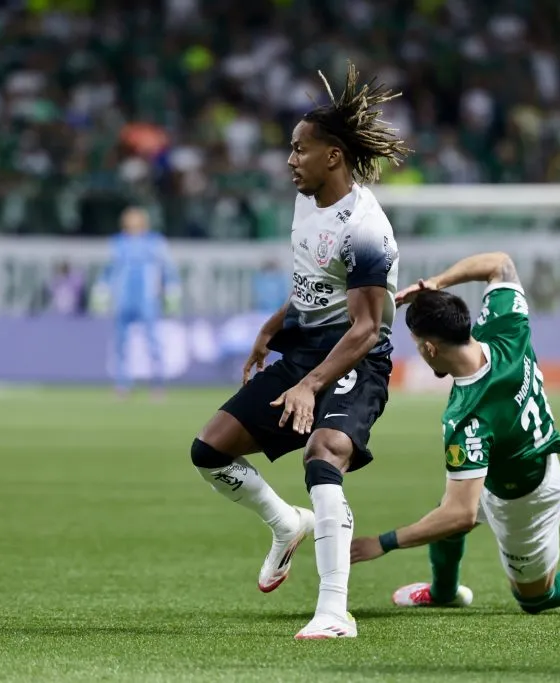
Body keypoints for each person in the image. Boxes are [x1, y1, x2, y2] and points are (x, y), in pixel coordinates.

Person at [190, 62, 410, 640]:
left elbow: (365, 326)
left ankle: (335, 611)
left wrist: (311, 384)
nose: (290, 160)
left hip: (354, 359)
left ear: (332, 156)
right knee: (209, 451)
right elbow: (314, 281)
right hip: (303, 349)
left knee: (324, 452)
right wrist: (272, 325)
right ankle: (287, 523)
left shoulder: (367, 227)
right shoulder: (307, 202)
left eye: (299, 150)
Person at [350, 252, 560, 614]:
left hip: (526, 500)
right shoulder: (505, 328)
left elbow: (460, 514)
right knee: (445, 509)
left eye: (417, 346)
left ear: (430, 348)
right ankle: (443, 592)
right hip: (508, 465)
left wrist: (383, 543)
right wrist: (436, 285)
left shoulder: (466, 417)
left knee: (536, 597)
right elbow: (500, 264)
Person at [105, 206, 180, 396]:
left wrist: (172, 289)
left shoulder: (155, 242)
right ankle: (122, 384)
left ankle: (158, 384)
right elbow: (109, 269)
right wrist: (103, 289)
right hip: (124, 298)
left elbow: (168, 268)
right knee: (121, 342)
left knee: (152, 341)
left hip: (147, 298)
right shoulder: (118, 243)